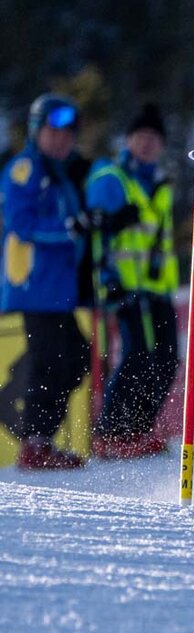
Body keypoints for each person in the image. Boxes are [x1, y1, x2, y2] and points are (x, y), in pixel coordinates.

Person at [1, 94, 91, 469]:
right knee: (50, 360)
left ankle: (40, 438)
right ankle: (35, 443)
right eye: (52, 133)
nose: (60, 140)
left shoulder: (61, 173)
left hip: (59, 289)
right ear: (35, 132)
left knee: (77, 357)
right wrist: (69, 228)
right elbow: (21, 223)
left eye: (67, 134)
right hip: (35, 286)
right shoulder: (25, 169)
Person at [85, 104, 179, 459]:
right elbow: (97, 232)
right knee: (137, 355)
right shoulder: (113, 178)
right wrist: (107, 278)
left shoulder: (161, 184)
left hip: (157, 286)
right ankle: (112, 431)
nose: (147, 143)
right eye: (141, 137)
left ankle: (138, 429)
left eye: (154, 138)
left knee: (166, 359)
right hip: (125, 285)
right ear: (127, 141)